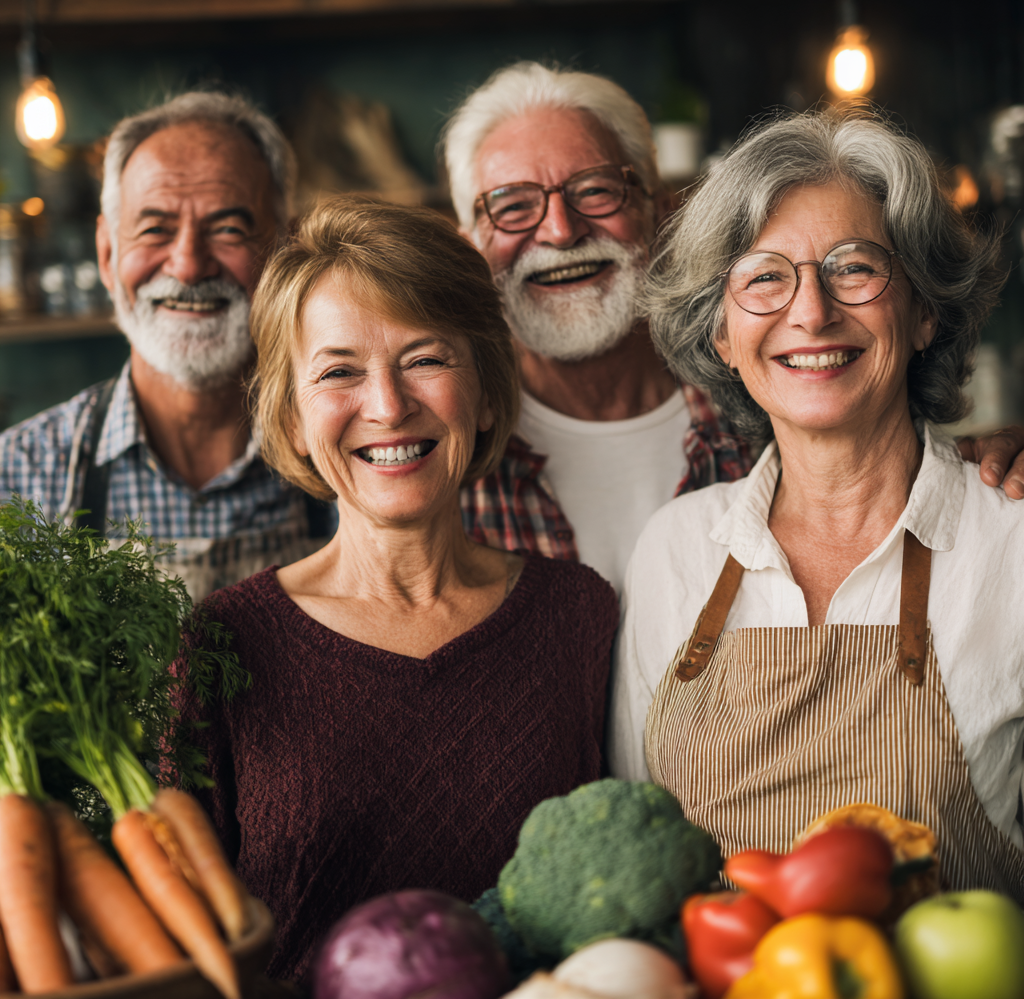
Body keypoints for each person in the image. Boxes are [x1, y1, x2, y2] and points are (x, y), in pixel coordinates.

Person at [178, 198, 619, 981]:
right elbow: (183, 947)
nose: (386, 406)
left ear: (485, 391)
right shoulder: (223, 644)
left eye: (425, 358)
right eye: (339, 371)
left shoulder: (579, 615)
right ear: (289, 414)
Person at [610, 109, 1024, 897]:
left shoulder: (1014, 542)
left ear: (924, 311)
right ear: (724, 335)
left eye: (854, 268)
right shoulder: (676, 549)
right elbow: (648, 865)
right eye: (765, 276)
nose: (810, 312)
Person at [443, 62, 1024, 594]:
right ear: (468, 244)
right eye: (512, 205)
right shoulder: (438, 456)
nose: (560, 231)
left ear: (663, 208)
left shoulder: (781, 401)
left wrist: (993, 467)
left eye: (596, 190)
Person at [0, 91, 332, 599]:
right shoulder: (19, 475)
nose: (188, 265)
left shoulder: (348, 458)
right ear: (107, 255)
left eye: (228, 228)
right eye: (155, 229)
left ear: (282, 251)